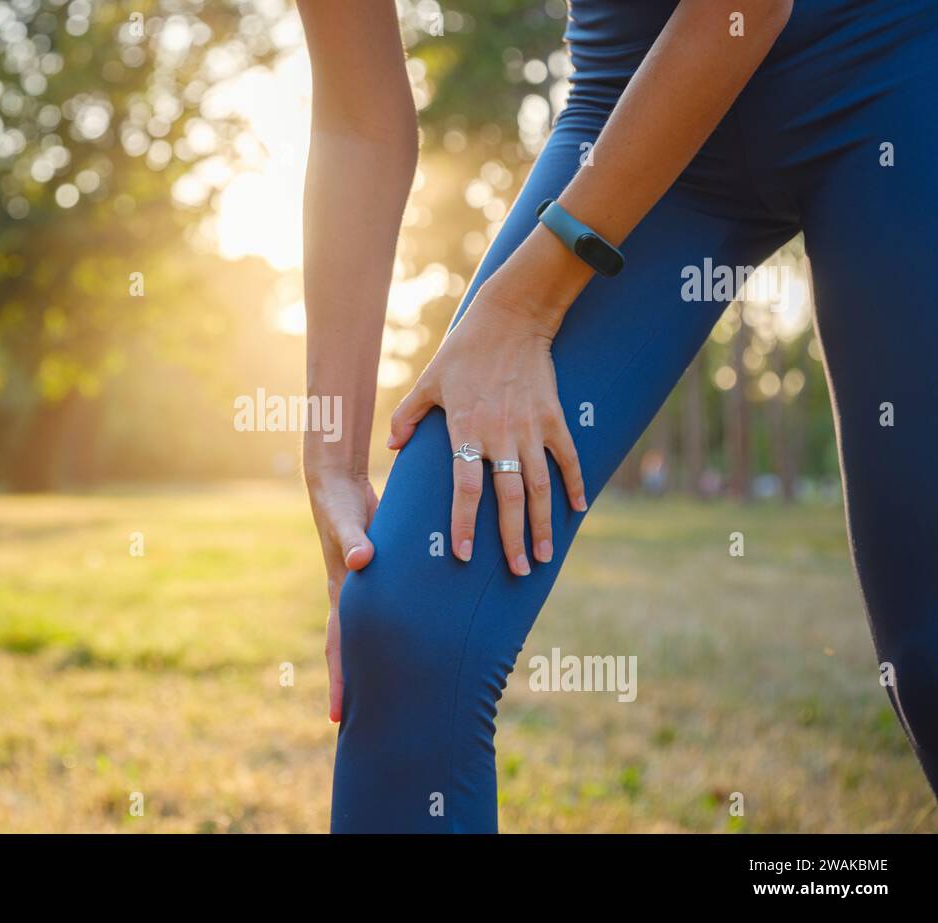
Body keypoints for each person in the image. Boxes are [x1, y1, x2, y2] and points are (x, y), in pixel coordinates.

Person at [298, 0, 938, 833]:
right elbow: (357, 120)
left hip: (890, 68)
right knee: (405, 628)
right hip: (628, 100)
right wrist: (334, 458)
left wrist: (526, 303)